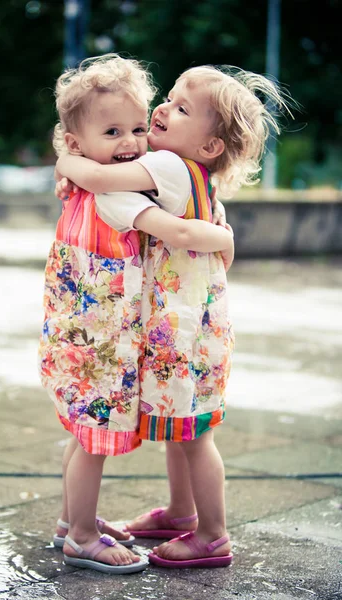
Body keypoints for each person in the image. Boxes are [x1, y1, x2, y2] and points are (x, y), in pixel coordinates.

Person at [55, 62, 291, 568]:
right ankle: (183, 514)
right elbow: (210, 244)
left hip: (177, 331)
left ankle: (210, 534)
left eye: (181, 109)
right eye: (170, 97)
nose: (163, 109)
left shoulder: (167, 169)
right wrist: (224, 239)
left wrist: (65, 160)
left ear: (209, 146)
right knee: (185, 426)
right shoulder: (197, 179)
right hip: (195, 328)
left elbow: (98, 177)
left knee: (193, 433)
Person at [38, 55, 234, 574]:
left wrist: (69, 162)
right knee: (160, 430)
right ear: (79, 139)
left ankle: (81, 526)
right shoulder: (161, 179)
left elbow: (179, 231)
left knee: (102, 431)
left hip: (146, 332)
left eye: (138, 127)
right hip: (143, 332)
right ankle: (87, 527)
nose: (131, 140)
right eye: (113, 131)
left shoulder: (150, 174)